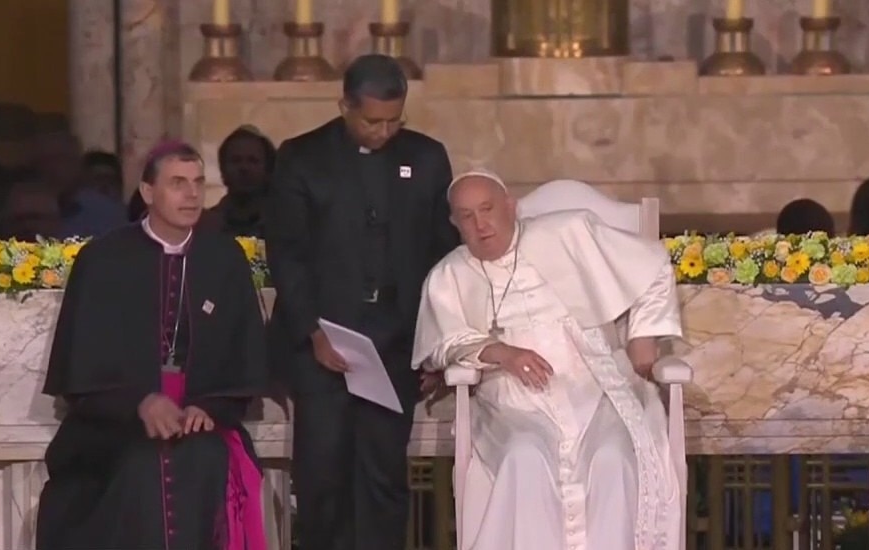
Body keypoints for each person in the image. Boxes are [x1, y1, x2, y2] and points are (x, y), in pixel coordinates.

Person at [412, 171, 683, 549]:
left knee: (613, 457)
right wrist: (502, 353)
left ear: (510, 207)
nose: (480, 224)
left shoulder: (569, 232)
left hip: (596, 389)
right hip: (512, 400)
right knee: (524, 457)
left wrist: (643, 340)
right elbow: (443, 343)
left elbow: (653, 264)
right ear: (454, 223)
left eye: (487, 209)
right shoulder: (449, 274)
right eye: (467, 216)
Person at [266, 54, 459, 550]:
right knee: (322, 476)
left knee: (383, 476)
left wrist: (436, 343)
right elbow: (287, 252)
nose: (384, 132)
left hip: (396, 341)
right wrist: (312, 330)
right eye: (372, 121)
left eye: (395, 120)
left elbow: (444, 256)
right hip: (323, 343)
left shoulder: (427, 158)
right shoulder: (302, 157)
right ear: (345, 106)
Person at [36, 141, 269, 550]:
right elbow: (82, 369)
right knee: (141, 466)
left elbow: (243, 360)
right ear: (147, 191)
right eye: (177, 183)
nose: (192, 194)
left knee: (203, 458)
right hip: (115, 425)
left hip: (201, 424)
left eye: (198, 182)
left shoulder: (225, 258)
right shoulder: (103, 259)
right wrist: (139, 403)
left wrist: (208, 408)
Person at [202, 124, 276, 237]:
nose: (244, 168)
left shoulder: (285, 224)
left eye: (253, 161)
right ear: (222, 169)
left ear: (268, 169)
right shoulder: (205, 227)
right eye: (235, 161)